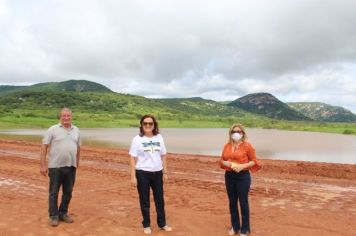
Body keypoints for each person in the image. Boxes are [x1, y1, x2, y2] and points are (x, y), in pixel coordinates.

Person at [129, 114, 172, 235]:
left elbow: (163, 155)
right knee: (145, 200)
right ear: (142, 125)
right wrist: (133, 176)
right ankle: (146, 224)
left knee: (160, 199)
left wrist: (165, 172)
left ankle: (162, 223)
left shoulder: (159, 137)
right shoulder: (137, 139)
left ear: (154, 125)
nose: (148, 125)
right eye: (145, 123)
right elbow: (132, 158)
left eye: (150, 123)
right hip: (142, 173)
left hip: (157, 173)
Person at [40, 107, 81, 227]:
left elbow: (78, 148)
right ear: (60, 117)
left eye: (68, 116)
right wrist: (43, 165)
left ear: (71, 117)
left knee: (68, 192)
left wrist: (77, 162)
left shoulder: (76, 130)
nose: (66, 118)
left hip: (71, 166)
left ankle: (63, 213)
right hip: (55, 166)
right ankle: (53, 216)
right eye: (64, 116)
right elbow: (44, 147)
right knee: (53, 192)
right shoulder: (52, 129)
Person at [219, 123, 261, 236]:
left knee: (243, 202)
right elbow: (221, 160)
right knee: (232, 202)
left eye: (238, 131)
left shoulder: (247, 146)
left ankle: (245, 229)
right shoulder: (227, 146)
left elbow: (254, 161)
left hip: (243, 177)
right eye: (234, 131)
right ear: (230, 133)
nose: (236, 133)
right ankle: (235, 226)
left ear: (242, 133)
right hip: (229, 176)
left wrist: (242, 166)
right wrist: (225, 162)